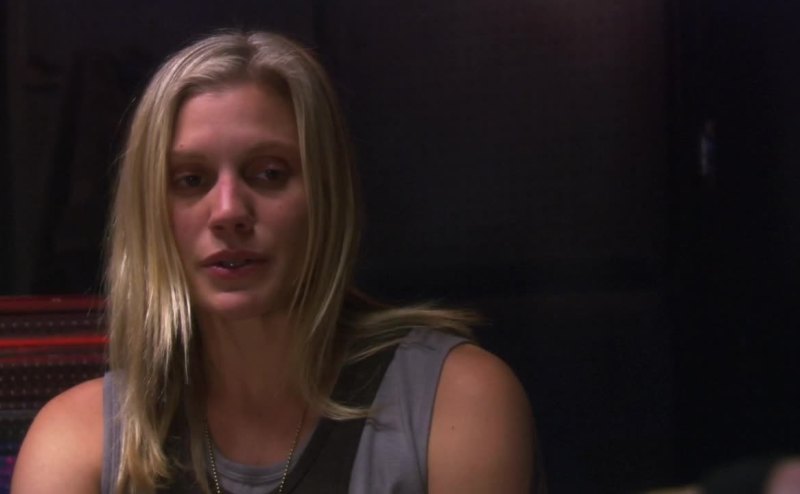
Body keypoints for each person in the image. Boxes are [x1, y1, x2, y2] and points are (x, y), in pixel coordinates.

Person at [11, 31, 535, 494]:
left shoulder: (454, 402)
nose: (228, 212)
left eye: (269, 173)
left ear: (327, 194)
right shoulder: (75, 443)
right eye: (190, 180)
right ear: (151, 212)